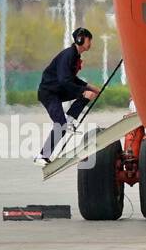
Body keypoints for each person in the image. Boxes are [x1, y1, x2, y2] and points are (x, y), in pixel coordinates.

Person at [34, 28, 98, 166]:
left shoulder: (75, 56)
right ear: (81, 39)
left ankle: (69, 120)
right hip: (49, 93)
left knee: (88, 94)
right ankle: (41, 156)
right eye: (89, 39)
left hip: (58, 91)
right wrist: (82, 91)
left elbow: (71, 79)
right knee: (60, 125)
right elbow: (64, 80)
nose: (90, 43)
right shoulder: (68, 54)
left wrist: (89, 87)